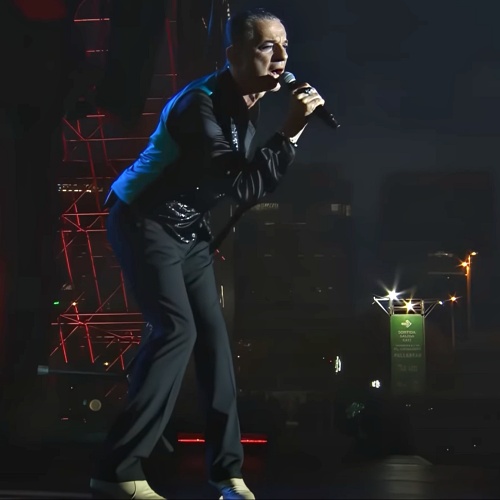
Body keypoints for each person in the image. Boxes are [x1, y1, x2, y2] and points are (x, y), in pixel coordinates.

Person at [90, 7, 325, 500]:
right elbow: (242, 187)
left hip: (188, 230)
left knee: (215, 345)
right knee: (176, 330)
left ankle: (227, 474)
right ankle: (117, 471)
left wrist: (291, 130)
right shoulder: (198, 104)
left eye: (285, 46)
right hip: (145, 219)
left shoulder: (249, 99)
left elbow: (242, 180)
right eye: (267, 46)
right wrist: (290, 130)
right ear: (234, 55)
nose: (281, 56)